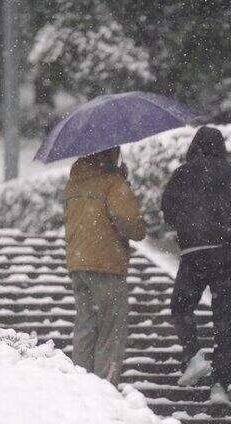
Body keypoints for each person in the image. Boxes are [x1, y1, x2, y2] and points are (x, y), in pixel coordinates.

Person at [161, 126, 231, 402]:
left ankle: (193, 355)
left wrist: (187, 228)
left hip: (194, 252)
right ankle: (220, 384)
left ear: (194, 146)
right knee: (226, 320)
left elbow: (168, 210)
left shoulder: (183, 173)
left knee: (181, 307)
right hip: (225, 254)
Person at [63, 146, 146, 386]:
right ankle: (105, 389)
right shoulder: (113, 182)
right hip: (106, 263)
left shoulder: (74, 182)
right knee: (112, 329)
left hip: (78, 263)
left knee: (86, 326)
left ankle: (81, 383)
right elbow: (130, 222)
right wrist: (122, 182)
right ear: (111, 153)